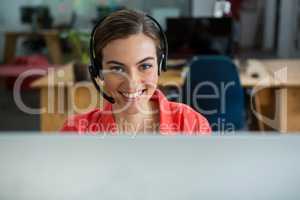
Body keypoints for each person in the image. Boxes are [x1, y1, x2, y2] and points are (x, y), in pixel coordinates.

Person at [61, 9, 211, 135]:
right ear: (99, 71)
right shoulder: (76, 131)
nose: (132, 83)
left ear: (159, 65)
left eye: (144, 66)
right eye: (117, 68)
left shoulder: (191, 124)